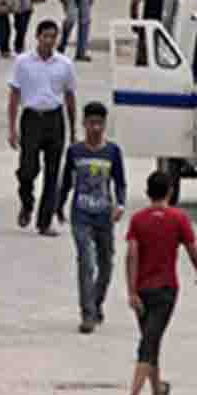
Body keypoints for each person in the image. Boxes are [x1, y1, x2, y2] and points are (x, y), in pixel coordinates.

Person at [123, 171, 197, 395]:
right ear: (170, 192)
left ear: (147, 192)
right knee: (149, 342)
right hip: (165, 289)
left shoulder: (138, 220)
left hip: (142, 290)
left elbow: (131, 256)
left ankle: (158, 391)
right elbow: (193, 251)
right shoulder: (178, 218)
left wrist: (131, 291)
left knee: (151, 338)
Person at [57, 101, 127, 333]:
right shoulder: (75, 151)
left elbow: (120, 182)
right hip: (81, 214)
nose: (95, 128)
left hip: (104, 215)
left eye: (99, 124)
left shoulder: (112, 152)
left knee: (106, 264)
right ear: (84, 124)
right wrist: (57, 206)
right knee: (86, 261)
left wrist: (121, 205)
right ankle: (87, 313)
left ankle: (96, 302)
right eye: (91, 123)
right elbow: (66, 181)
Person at [9, 20, 77, 237]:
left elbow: (69, 96)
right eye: (45, 36)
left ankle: (44, 221)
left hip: (55, 119)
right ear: (37, 37)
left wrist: (73, 127)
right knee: (28, 168)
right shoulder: (23, 62)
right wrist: (11, 128)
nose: (49, 41)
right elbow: (14, 95)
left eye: (53, 37)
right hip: (31, 118)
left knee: (52, 171)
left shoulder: (64, 64)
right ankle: (27, 202)